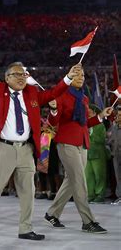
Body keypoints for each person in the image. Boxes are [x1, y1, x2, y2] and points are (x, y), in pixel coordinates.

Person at [0, 50, 81, 240]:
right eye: (16, 74)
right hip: (3, 148)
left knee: (28, 191)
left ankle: (25, 228)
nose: (21, 77)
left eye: (23, 74)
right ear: (7, 78)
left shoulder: (32, 93)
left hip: (26, 149)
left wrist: (69, 77)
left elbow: (54, 92)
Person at [44, 68, 113, 233]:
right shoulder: (61, 94)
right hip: (66, 143)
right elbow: (53, 121)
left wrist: (100, 116)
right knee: (79, 180)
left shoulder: (83, 98)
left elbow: (84, 124)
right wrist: (53, 109)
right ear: (69, 77)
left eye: (83, 75)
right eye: (77, 75)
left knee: (71, 181)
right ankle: (87, 221)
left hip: (82, 143)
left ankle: (52, 213)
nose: (81, 77)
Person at [85, 105, 108, 203]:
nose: (87, 112)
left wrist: (89, 139)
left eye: (89, 111)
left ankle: (100, 195)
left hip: (98, 154)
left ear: (94, 112)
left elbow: (101, 139)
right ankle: (90, 194)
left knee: (99, 175)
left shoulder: (99, 125)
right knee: (88, 176)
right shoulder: (85, 124)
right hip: (87, 154)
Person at [107, 108, 121, 204]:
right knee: (118, 176)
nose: (118, 117)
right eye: (117, 115)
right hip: (116, 155)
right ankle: (120, 196)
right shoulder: (113, 127)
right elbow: (107, 140)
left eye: (120, 115)